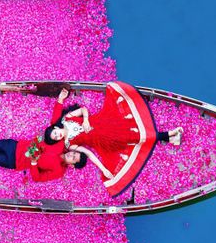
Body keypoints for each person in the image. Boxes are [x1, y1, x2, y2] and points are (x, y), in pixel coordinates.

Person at [43, 82, 184, 196]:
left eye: (55, 134)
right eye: (55, 138)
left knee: (130, 127)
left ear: (55, 129)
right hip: (104, 140)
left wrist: (85, 120)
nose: (58, 136)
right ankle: (168, 135)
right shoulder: (69, 143)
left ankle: (169, 137)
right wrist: (103, 169)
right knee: (132, 137)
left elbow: (83, 109)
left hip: (103, 121)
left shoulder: (66, 118)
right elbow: (89, 153)